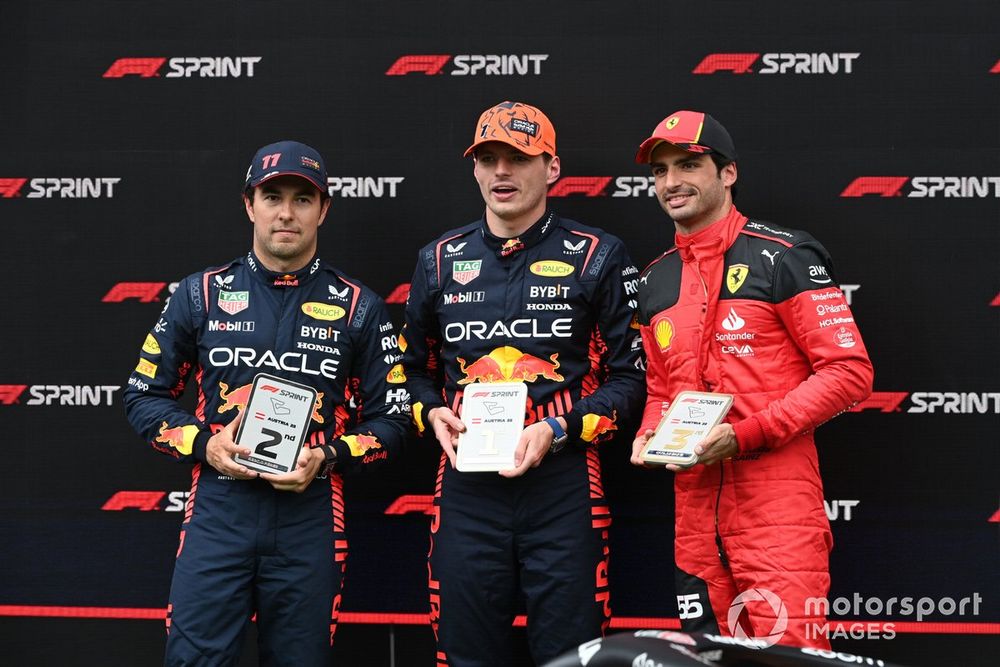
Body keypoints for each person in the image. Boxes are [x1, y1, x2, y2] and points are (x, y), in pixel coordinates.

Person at [123, 140, 410, 665]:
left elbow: (394, 420)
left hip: (312, 514)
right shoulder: (200, 294)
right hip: (218, 508)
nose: (286, 212)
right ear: (249, 204)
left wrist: (327, 457)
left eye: (303, 199)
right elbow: (143, 397)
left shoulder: (358, 306)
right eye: (272, 195)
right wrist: (204, 444)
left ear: (323, 209)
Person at [402, 101, 645, 666]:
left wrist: (558, 430)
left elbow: (632, 379)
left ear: (552, 168)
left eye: (518, 157)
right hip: (466, 485)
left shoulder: (597, 255)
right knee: (464, 653)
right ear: (475, 170)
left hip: (562, 482)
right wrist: (430, 412)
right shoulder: (439, 260)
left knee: (573, 656)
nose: (502, 172)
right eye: (488, 158)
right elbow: (409, 372)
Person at [629, 110, 873, 649]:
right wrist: (650, 432)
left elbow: (851, 372)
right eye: (661, 170)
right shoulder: (655, 279)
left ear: (728, 173)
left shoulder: (783, 255)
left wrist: (745, 434)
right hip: (693, 515)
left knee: (790, 659)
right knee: (708, 659)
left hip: (777, 510)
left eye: (689, 165)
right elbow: (661, 389)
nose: (672, 182)